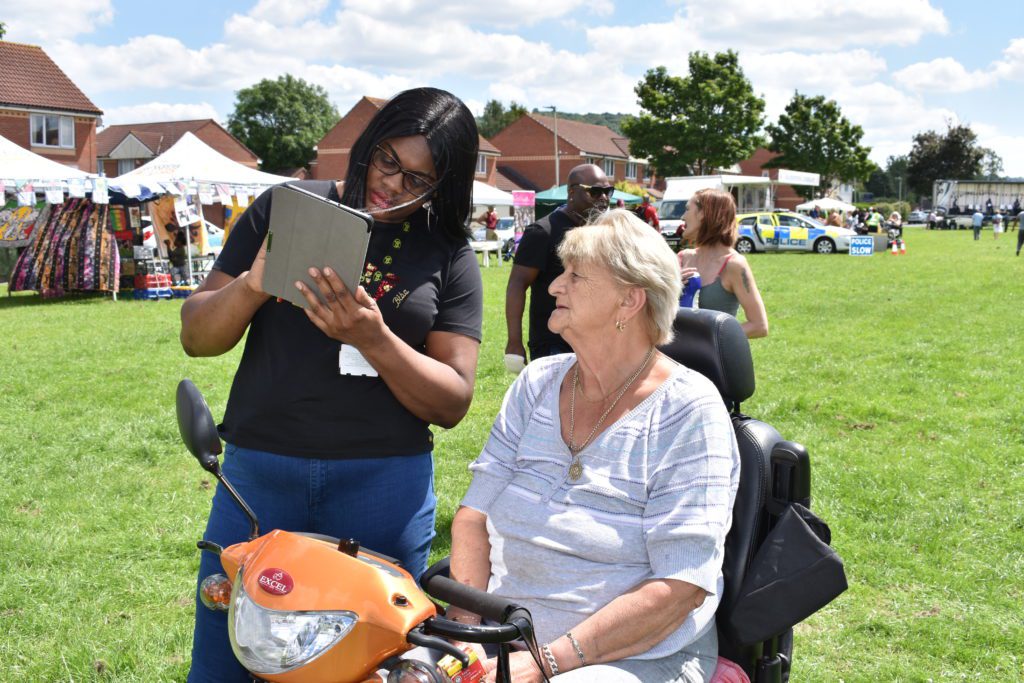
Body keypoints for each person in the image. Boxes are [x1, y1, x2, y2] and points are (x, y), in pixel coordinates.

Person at [179, 87, 484, 683]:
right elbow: (197, 335)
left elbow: (453, 400)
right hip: (258, 481)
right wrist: (253, 285)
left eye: (419, 179)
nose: (393, 184)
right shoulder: (285, 207)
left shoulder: (448, 254)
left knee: (367, 666)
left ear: (443, 188)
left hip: (381, 487)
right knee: (226, 660)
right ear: (368, 146)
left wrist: (374, 337)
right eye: (389, 160)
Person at [449, 209, 740, 682]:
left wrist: (545, 664)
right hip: (503, 635)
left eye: (575, 277)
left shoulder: (688, 411)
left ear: (629, 301)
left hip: (634, 657)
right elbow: (472, 518)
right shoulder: (538, 382)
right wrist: (465, 637)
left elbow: (680, 587)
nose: (552, 287)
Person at [505, 163, 612, 364]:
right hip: (554, 343)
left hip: (595, 339)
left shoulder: (602, 232)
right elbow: (517, 285)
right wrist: (514, 342)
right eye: (595, 192)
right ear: (572, 192)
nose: (604, 198)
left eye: (608, 191)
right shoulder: (542, 232)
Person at [677, 188, 768, 339]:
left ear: (704, 214)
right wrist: (668, 287)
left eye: (687, 209)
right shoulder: (682, 258)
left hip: (712, 361)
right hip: (676, 357)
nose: (682, 217)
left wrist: (709, 337)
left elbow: (759, 326)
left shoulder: (734, 265)